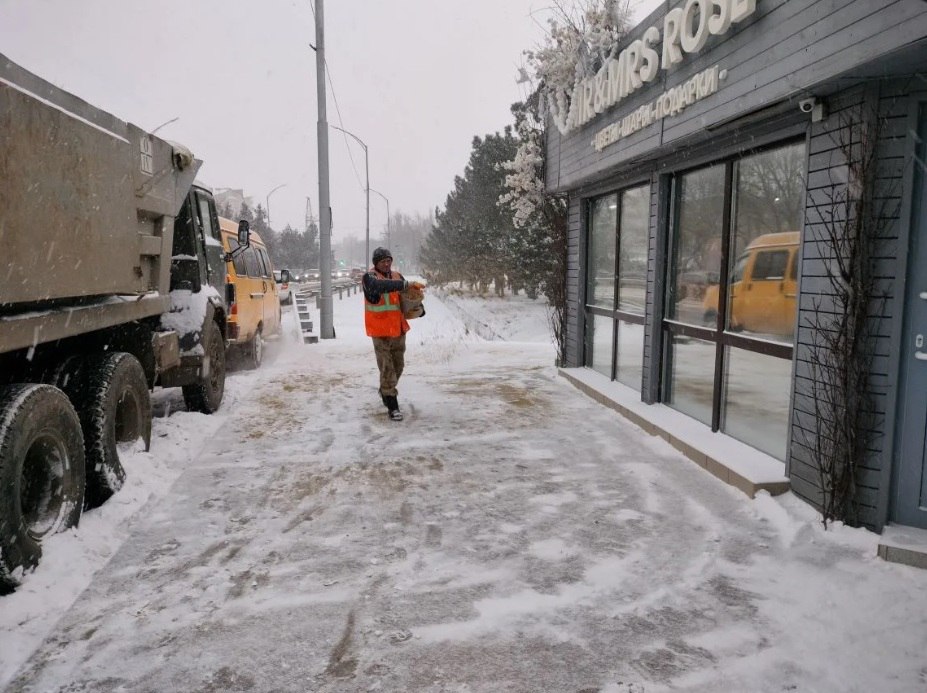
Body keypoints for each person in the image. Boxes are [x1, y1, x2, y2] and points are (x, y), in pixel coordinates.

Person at [362, 247, 423, 421]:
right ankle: (392, 405)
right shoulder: (370, 277)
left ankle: (385, 390)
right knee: (387, 368)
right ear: (376, 263)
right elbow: (379, 287)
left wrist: (418, 307)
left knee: (398, 366)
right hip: (380, 331)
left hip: (398, 329)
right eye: (383, 261)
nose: (387, 264)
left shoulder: (397, 276)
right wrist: (404, 284)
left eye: (389, 260)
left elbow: (406, 296)